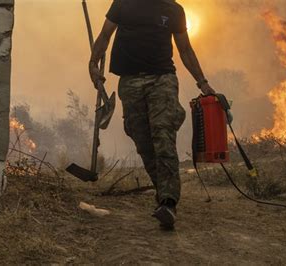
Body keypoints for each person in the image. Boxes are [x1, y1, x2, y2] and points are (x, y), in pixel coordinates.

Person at [89, 0, 215, 229]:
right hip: (129, 81)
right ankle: (163, 191)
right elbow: (105, 35)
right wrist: (92, 64)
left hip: (162, 80)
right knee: (142, 140)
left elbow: (185, 49)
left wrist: (202, 82)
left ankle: (168, 202)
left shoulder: (174, 10)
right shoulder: (123, 4)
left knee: (163, 136)